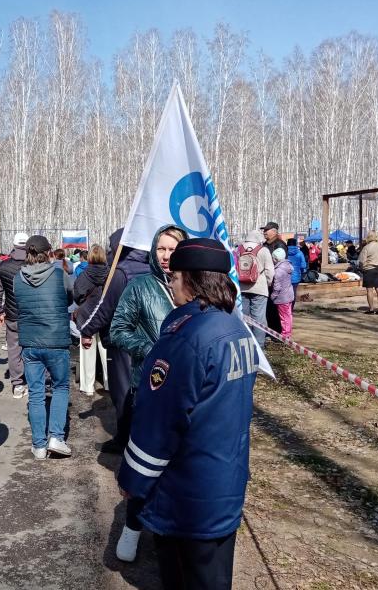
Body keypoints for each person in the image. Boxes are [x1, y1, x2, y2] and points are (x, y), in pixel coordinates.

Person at [117, 238, 258, 589]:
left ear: (193, 280)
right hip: (225, 481)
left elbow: (158, 423)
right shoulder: (236, 328)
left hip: (187, 495)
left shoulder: (186, 339)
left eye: (175, 277)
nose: (171, 284)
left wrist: (132, 481)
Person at [110, 224, 185, 562]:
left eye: (173, 249)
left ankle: (173, 528)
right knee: (145, 466)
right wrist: (151, 348)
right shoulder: (141, 286)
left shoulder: (193, 288)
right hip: (148, 388)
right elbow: (118, 330)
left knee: (179, 467)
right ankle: (132, 528)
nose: (167, 256)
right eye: (162, 249)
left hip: (185, 392)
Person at [80, 228, 149, 454]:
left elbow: (104, 308)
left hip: (124, 343)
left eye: (112, 247)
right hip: (151, 339)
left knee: (124, 392)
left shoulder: (120, 273)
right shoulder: (153, 268)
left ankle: (125, 440)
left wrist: (87, 330)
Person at [15, 234, 72, 459]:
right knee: (60, 387)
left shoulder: (18, 278)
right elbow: (70, 297)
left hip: (30, 340)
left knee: (36, 393)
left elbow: (19, 304)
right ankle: (56, 437)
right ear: (48, 252)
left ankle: (38, 445)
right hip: (56, 338)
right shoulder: (59, 274)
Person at [0, 232, 28, 399]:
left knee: (14, 349)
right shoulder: (33, 265)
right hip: (31, 314)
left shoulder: (3, 266)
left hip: (12, 314)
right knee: (33, 348)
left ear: (14, 245)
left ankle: (17, 384)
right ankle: (32, 379)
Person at [73, 244, 109, 397]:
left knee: (87, 351)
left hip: (87, 314)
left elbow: (77, 295)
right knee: (106, 351)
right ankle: (109, 382)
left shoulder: (84, 275)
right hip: (106, 313)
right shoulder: (111, 274)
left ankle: (88, 386)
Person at [238, 230, 274, 348]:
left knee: (244, 318)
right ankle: (259, 346)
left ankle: (246, 344)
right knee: (259, 318)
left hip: (242, 287)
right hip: (259, 288)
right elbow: (270, 271)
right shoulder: (263, 250)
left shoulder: (239, 249)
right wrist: (268, 283)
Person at [359, 231, 378, 315]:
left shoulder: (367, 247)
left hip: (369, 269)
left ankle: (371, 309)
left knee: (369, 290)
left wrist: (361, 268)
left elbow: (362, 261)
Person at [271, 248, 294, 338]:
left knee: (284, 317)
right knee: (288, 315)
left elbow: (277, 288)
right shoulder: (287, 266)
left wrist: (272, 296)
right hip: (289, 294)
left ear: (275, 259)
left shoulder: (278, 271)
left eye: (273, 258)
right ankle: (288, 332)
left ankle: (285, 334)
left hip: (282, 297)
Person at [286, 238, 307, 305]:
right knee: (293, 292)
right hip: (296, 276)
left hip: (285, 276)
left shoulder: (284, 252)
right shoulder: (300, 253)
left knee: (285, 294)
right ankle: (291, 309)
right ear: (295, 244)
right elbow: (303, 265)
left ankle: (285, 309)